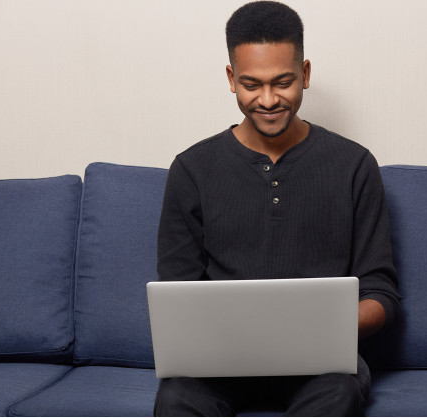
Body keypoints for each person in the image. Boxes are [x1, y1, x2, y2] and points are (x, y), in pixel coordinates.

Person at [153, 1, 400, 416]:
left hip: (321, 366)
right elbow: (176, 294)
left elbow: (381, 294)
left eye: (283, 82)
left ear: (304, 73)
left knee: (339, 393)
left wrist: (316, 328)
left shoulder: (354, 165)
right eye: (252, 85)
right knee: (175, 399)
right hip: (218, 364)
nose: (268, 100)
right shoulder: (191, 169)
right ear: (232, 79)